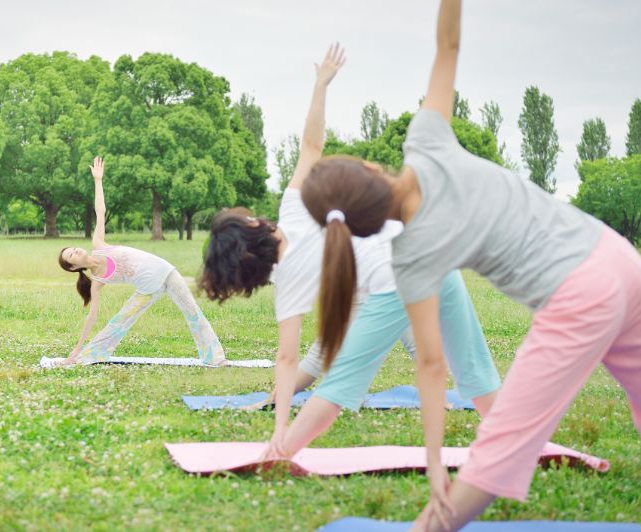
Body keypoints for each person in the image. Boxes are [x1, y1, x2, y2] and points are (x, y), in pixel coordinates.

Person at [299, 2, 641, 529]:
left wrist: (438, 460)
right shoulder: (425, 140)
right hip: (618, 258)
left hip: (581, 295)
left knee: (504, 441)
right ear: (371, 168)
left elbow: (432, 368)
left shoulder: (410, 256)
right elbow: (448, 47)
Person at [199, 44, 500, 461]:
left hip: (398, 275)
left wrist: (281, 424)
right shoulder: (295, 209)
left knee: (341, 384)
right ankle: (517, 439)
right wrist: (320, 84)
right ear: (253, 225)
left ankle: (281, 451)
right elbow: (311, 146)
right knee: (475, 371)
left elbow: (289, 358)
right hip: (428, 251)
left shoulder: (289, 279)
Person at [57, 156, 226, 367]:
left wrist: (98, 181)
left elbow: (100, 211)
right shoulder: (97, 281)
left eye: (72, 249)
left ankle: (215, 359)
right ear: (74, 267)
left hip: (166, 272)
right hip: (147, 290)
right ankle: (86, 356)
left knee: (193, 313)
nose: (75, 250)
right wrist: (76, 347)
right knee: (118, 323)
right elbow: (91, 317)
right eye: (71, 255)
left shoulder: (98, 244)